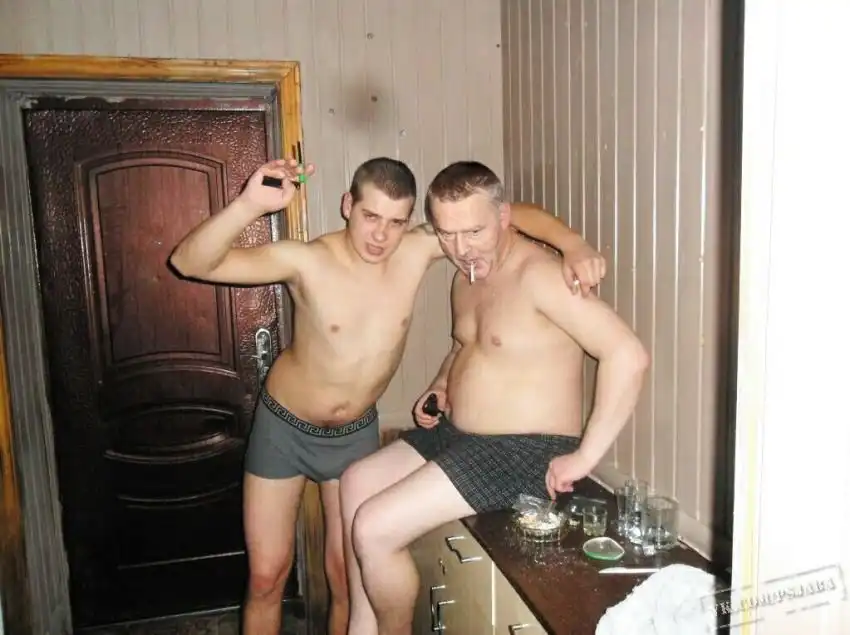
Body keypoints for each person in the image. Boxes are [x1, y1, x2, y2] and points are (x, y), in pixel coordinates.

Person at [168, 157, 605, 635]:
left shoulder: (418, 249)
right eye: (370, 216)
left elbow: (509, 215)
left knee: (345, 577)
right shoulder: (307, 260)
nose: (381, 235)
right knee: (267, 577)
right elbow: (189, 262)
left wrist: (572, 244)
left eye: (396, 222)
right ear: (347, 206)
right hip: (284, 428)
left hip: (354, 432)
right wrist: (250, 203)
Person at [339, 160, 650, 635]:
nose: (460, 247)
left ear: (505, 217)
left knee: (374, 528)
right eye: (446, 234)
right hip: (459, 436)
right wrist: (442, 384)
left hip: (523, 450)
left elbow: (628, 355)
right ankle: (362, 627)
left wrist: (585, 457)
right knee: (356, 481)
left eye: (474, 231)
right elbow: (465, 346)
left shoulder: (541, 276)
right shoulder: (465, 276)